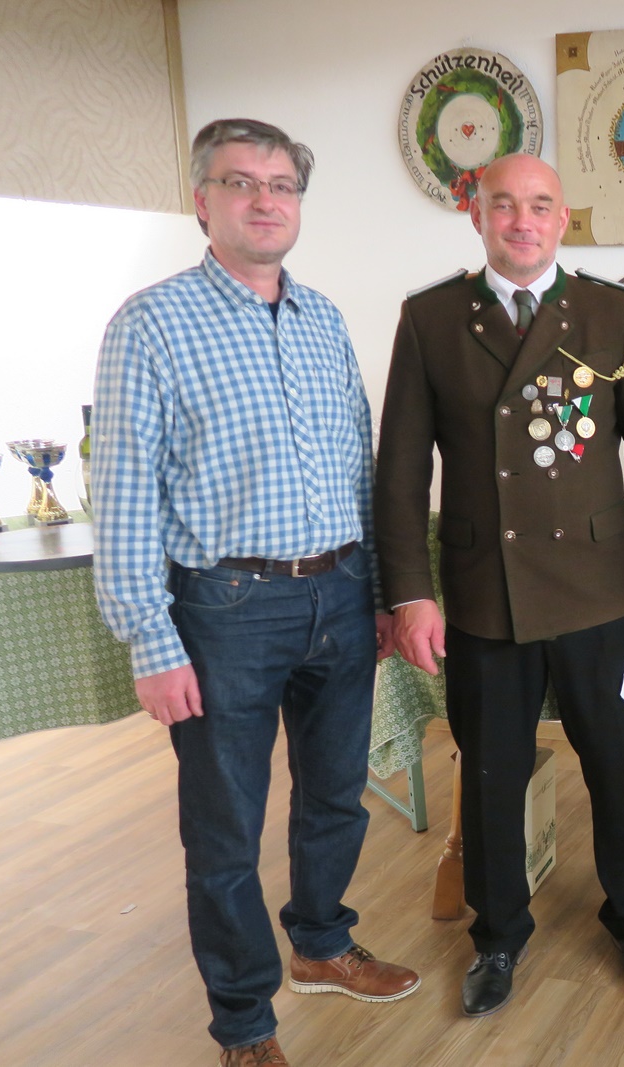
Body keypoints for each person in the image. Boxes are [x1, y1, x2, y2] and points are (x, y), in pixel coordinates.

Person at [92, 118, 419, 1067]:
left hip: (341, 593)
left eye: (281, 185)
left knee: (337, 796)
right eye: (241, 183)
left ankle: (320, 941)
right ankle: (244, 1022)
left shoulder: (322, 318)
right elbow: (123, 491)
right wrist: (149, 639)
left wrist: (379, 591)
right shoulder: (151, 325)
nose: (265, 200)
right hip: (225, 609)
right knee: (225, 826)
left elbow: (358, 466)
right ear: (203, 201)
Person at [374, 152, 624, 1019]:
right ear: (476, 214)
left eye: (540, 205)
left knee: (615, 765)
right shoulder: (433, 318)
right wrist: (410, 593)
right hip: (486, 589)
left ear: (563, 218)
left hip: (596, 586)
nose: (522, 221)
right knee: (491, 772)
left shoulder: (614, 312)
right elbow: (400, 471)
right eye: (504, 204)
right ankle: (498, 933)